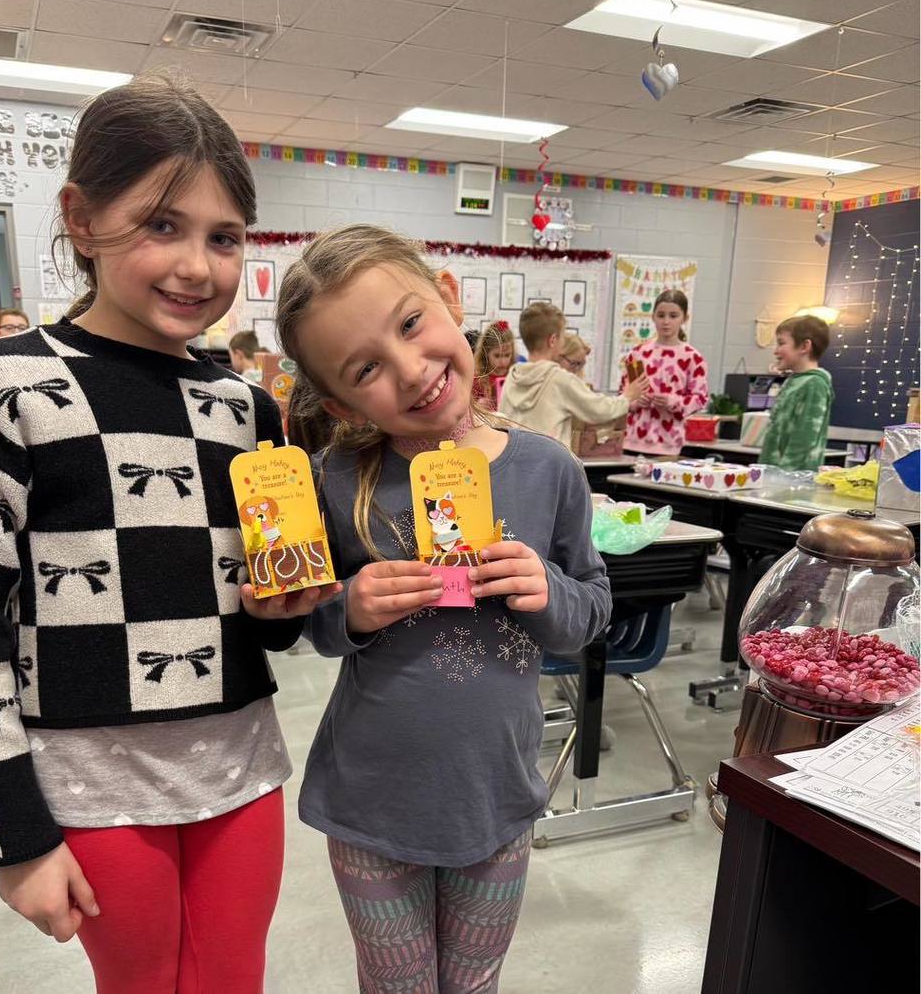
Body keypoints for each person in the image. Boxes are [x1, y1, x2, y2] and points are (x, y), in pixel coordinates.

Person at [0, 75, 337, 994]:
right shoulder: (4, 383)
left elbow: (262, 620)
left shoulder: (246, 408)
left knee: (233, 983)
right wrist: (16, 835)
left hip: (240, 768)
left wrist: (284, 608)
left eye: (223, 237)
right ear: (80, 218)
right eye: (161, 224)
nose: (197, 266)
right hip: (89, 783)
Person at [273, 224, 612, 992]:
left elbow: (590, 610)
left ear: (448, 299)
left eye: (412, 323)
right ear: (337, 398)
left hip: (496, 798)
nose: (411, 369)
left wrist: (545, 591)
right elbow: (311, 626)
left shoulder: (549, 468)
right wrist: (350, 609)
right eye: (366, 368)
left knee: (474, 984)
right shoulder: (330, 479)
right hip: (371, 802)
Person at [500, 300, 648, 448]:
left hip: (516, 465)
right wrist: (627, 397)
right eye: (562, 336)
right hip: (549, 466)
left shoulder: (512, 378)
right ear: (553, 340)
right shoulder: (559, 379)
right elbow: (598, 409)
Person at [621, 289, 708, 457]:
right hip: (633, 442)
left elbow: (700, 399)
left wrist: (673, 401)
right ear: (653, 317)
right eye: (661, 315)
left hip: (670, 444)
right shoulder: (637, 354)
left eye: (673, 316)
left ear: (685, 318)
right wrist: (636, 401)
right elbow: (623, 394)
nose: (666, 321)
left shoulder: (693, 358)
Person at [759, 314, 834, 471]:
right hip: (772, 473)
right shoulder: (793, 381)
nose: (776, 351)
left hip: (793, 479)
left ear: (804, 347)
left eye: (781, 344)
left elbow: (804, 438)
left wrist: (784, 476)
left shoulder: (815, 384)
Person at [472, 319, 516, 410]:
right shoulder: (478, 379)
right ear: (486, 353)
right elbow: (464, 411)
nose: (503, 362)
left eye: (507, 355)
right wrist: (477, 406)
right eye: (497, 356)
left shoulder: (516, 375)